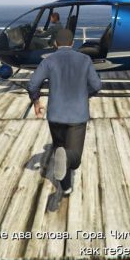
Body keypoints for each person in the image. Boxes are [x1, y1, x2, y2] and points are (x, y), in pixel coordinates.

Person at [27, 28, 101, 195]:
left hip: (55, 115)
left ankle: (66, 187)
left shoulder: (49, 60)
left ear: (55, 43)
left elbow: (32, 84)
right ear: (72, 43)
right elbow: (97, 85)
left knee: (60, 150)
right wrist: (85, 95)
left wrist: (36, 102)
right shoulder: (85, 59)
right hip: (77, 116)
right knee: (74, 159)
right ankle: (67, 168)